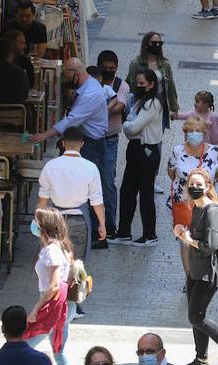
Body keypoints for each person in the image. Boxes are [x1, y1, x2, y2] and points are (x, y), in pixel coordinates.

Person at [31, 58, 112, 246]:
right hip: (85, 141)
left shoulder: (90, 93)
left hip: (90, 144)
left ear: (76, 73)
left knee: (89, 189)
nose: (65, 80)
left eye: (67, 75)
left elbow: (71, 120)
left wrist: (45, 135)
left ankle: (94, 234)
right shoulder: (88, 87)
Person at [173, 168, 218, 365]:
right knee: (196, 315)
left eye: (199, 185)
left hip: (208, 272)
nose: (194, 188)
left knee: (196, 317)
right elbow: (197, 238)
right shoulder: (196, 207)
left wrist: (188, 240)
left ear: (208, 187)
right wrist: (184, 233)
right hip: (195, 270)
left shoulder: (212, 211)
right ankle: (201, 359)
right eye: (191, 185)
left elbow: (210, 245)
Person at [22, 207, 77, 365]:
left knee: (21, 347)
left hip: (53, 307)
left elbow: (53, 285)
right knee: (60, 353)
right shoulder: (62, 248)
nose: (34, 225)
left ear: (44, 227)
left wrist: (36, 309)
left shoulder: (52, 250)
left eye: (37, 222)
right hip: (62, 307)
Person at [36, 125, 107, 261]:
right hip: (80, 222)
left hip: (55, 221)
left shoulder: (50, 166)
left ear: (63, 143)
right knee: (76, 268)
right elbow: (97, 201)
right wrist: (102, 224)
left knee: (55, 265)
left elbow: (42, 198)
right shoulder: (90, 168)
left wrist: (38, 221)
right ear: (82, 144)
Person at [114, 67, 166, 245]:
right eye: (137, 83)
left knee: (145, 194)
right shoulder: (140, 101)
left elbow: (132, 127)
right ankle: (123, 231)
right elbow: (130, 126)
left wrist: (128, 124)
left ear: (151, 85)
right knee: (127, 191)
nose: (138, 86)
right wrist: (129, 125)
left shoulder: (153, 103)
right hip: (135, 149)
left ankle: (150, 234)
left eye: (142, 84)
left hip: (146, 151)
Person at [167, 117, 218, 276]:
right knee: (185, 241)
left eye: (198, 131)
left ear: (204, 133)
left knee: (207, 239)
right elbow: (171, 173)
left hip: (207, 204)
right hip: (183, 203)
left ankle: (203, 272)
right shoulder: (177, 150)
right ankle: (190, 276)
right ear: (185, 133)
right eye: (191, 131)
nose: (194, 134)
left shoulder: (214, 152)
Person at [97, 51, 128, 239]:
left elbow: (119, 107)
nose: (109, 71)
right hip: (90, 140)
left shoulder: (121, 85)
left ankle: (109, 224)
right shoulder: (92, 81)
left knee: (107, 181)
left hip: (109, 140)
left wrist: (94, 106)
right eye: (105, 68)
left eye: (112, 68)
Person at [128, 33, 180, 128]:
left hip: (161, 107)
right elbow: (131, 86)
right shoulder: (136, 63)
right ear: (146, 44)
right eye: (154, 43)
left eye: (159, 43)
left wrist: (174, 107)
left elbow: (171, 86)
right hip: (142, 106)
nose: (157, 45)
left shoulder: (165, 64)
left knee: (158, 139)